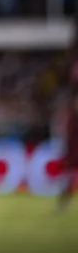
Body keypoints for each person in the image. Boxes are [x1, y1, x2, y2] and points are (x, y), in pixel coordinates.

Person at [58, 18, 78, 213]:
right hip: (75, 116)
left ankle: (63, 201)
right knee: (71, 160)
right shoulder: (72, 60)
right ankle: (63, 201)